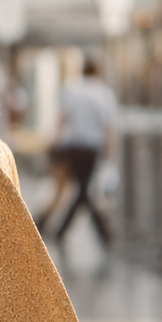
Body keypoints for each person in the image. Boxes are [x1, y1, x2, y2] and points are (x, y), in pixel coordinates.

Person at [40, 57, 117, 248]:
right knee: (84, 190)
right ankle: (103, 234)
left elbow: (62, 119)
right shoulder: (104, 93)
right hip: (92, 148)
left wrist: (54, 142)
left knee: (82, 190)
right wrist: (109, 150)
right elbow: (108, 127)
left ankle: (54, 229)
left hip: (72, 146)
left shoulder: (72, 89)